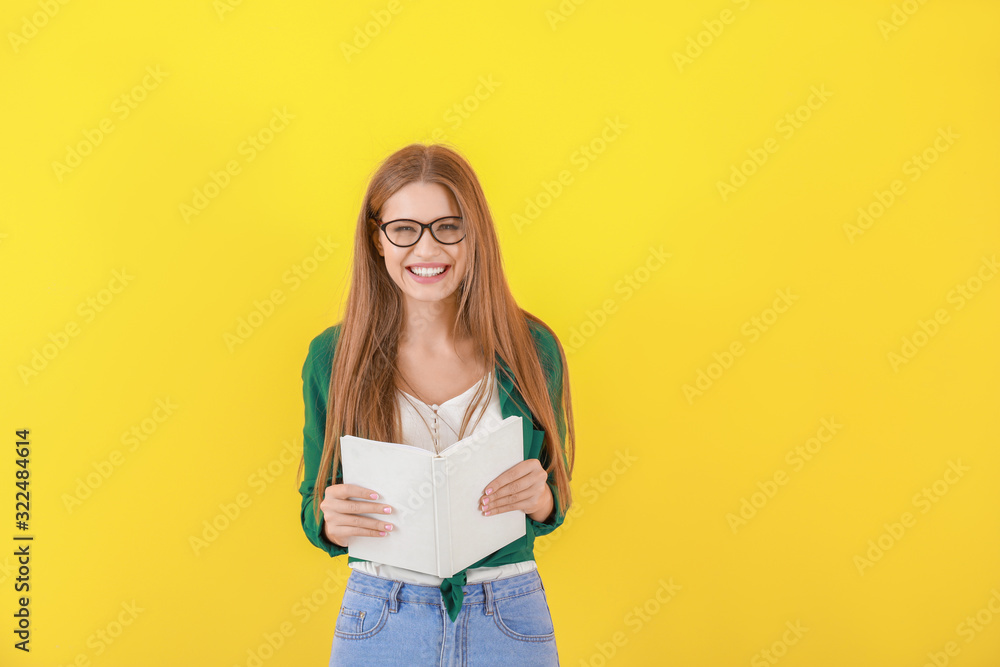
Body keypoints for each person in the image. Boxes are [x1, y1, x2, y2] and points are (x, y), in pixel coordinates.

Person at [296, 143, 576, 666]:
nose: (427, 250)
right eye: (404, 229)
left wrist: (539, 497)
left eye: (448, 227)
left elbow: (554, 496)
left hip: (509, 612)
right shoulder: (332, 358)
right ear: (377, 240)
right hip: (382, 613)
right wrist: (330, 519)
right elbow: (316, 505)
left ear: (476, 237)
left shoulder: (532, 349)